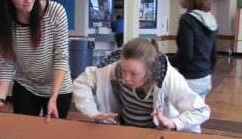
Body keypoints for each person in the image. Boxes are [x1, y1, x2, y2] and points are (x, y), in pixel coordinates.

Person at [73, 38, 210, 133]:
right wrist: (93, 113)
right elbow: (81, 82)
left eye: (134, 74)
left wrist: (174, 123)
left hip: (155, 137)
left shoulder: (168, 78)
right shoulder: (114, 67)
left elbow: (201, 111)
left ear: (150, 70)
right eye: (124, 70)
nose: (126, 78)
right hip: (125, 132)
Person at [0, 0, 73, 121]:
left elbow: (61, 57)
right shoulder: (1, 23)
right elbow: (7, 63)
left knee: (52, 136)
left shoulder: (55, 11)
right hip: (25, 85)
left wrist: (53, 98)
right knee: (23, 134)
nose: (28, 0)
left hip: (58, 88)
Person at [169, 0, 218, 100]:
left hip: (190, 81)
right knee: (197, 115)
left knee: (179, 116)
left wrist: (166, 60)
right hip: (205, 79)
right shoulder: (211, 20)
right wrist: (205, 72)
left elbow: (186, 55)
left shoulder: (187, 20)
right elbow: (214, 56)